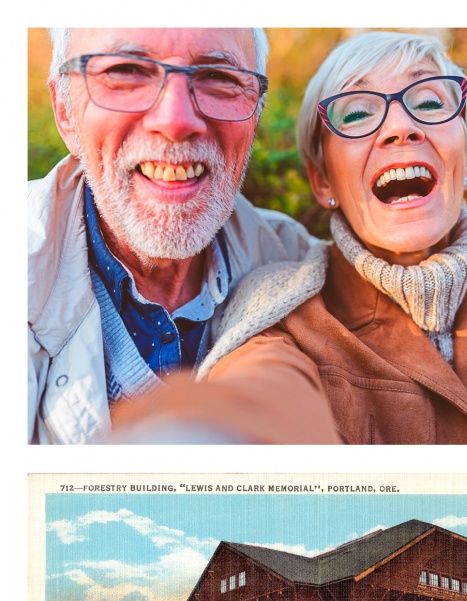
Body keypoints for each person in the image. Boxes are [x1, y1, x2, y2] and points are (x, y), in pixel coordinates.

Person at [192, 30, 467, 445]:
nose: (401, 127)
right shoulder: (278, 317)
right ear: (322, 181)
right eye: (356, 114)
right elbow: (257, 403)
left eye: (429, 103)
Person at [28, 27, 339, 444]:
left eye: (219, 78)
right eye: (126, 72)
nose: (175, 121)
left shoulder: (299, 266)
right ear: (65, 111)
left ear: (256, 113)